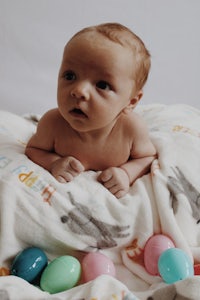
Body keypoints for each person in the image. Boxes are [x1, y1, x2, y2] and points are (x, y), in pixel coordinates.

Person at [25, 22, 156, 198]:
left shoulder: (132, 130)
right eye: (70, 76)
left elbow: (147, 158)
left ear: (131, 102)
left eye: (102, 85)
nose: (78, 91)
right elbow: (34, 150)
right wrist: (54, 163)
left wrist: (126, 173)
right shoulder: (52, 123)